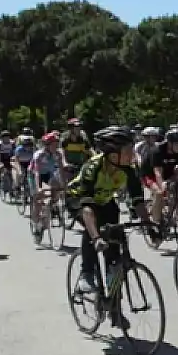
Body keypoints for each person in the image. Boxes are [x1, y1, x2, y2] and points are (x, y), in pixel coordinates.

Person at [67, 126, 157, 328]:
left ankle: (114, 308)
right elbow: (88, 208)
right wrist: (97, 237)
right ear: (112, 154)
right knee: (93, 230)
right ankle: (87, 274)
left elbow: (138, 201)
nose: (132, 154)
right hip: (79, 199)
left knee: (115, 259)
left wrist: (149, 226)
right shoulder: (93, 167)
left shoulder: (129, 169)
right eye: (127, 151)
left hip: (105, 200)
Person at [29, 132, 67, 241]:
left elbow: (61, 170)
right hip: (34, 175)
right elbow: (36, 172)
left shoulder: (58, 154)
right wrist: (39, 188)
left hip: (48, 174)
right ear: (47, 145)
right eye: (53, 144)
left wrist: (64, 185)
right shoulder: (39, 155)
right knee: (38, 199)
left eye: (57, 144)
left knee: (56, 186)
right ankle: (36, 224)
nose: (56, 146)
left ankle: (53, 206)